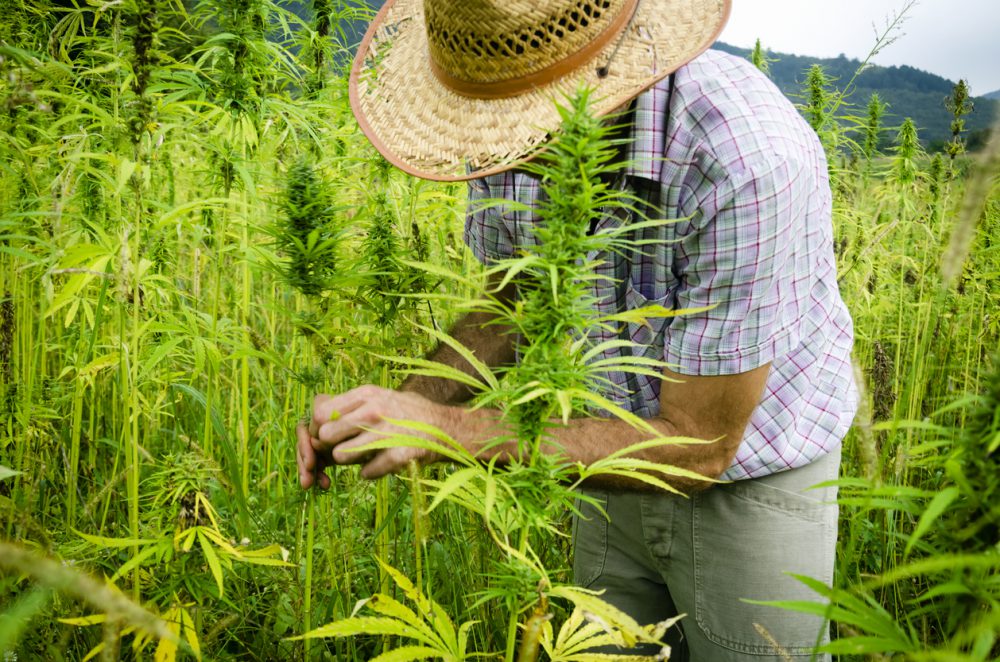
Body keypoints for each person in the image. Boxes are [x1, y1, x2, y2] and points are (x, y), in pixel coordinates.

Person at [295, 0, 858, 659]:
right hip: (592, 452)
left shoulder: (745, 161)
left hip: (750, 484)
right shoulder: (504, 120)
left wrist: (446, 432)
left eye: (522, 121)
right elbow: (516, 296)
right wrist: (400, 405)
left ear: (603, 72)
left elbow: (701, 444)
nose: (501, 147)